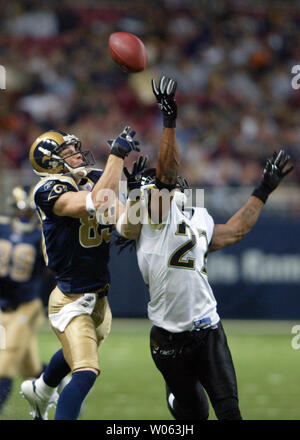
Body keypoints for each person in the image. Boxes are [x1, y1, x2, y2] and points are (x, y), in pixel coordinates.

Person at [116, 76, 294, 420]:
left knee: (229, 411)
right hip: (167, 338)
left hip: (207, 328)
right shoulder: (151, 216)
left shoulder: (197, 215)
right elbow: (167, 173)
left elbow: (234, 232)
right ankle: (177, 399)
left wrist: (263, 189)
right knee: (193, 415)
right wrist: (169, 120)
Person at [20, 126, 140, 420]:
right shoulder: (48, 190)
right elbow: (94, 202)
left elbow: (128, 227)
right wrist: (117, 156)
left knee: (74, 351)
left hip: (99, 296)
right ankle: (47, 392)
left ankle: (41, 388)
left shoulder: (95, 179)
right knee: (85, 372)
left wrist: (137, 195)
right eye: (67, 151)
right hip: (70, 298)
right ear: (49, 162)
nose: (75, 153)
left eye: (75, 148)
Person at [0, 185, 48, 415]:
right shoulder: (2, 229)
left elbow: (53, 267)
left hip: (26, 307)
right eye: (19, 210)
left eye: (26, 210)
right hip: (3, 308)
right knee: (30, 367)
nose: (22, 214)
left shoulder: (41, 234)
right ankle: (57, 382)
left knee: (5, 362)